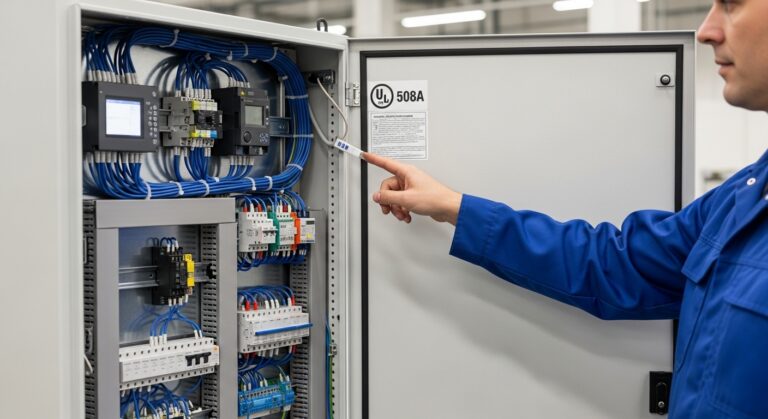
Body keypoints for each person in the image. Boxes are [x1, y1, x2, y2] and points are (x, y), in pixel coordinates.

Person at [363, 1, 768, 418]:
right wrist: (455, 207)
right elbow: (611, 264)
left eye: (733, 5)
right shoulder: (745, 196)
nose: (706, 30)